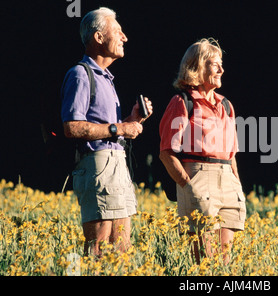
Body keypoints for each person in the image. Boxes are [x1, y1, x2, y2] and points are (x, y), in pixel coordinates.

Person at [61, 7, 153, 256]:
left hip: (115, 165)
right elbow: (72, 127)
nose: (125, 38)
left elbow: (106, 129)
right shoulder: (80, 75)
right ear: (99, 37)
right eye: (118, 32)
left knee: (122, 246)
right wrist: (120, 128)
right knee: (99, 247)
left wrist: (130, 121)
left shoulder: (106, 78)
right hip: (97, 167)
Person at [159, 38, 246, 264]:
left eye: (221, 63)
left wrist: (237, 184)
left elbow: (232, 153)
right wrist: (189, 187)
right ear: (197, 67)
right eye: (214, 63)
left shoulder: (226, 104)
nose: (221, 69)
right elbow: (166, 152)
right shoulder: (182, 102)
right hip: (198, 177)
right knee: (204, 261)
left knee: (225, 262)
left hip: (228, 180)